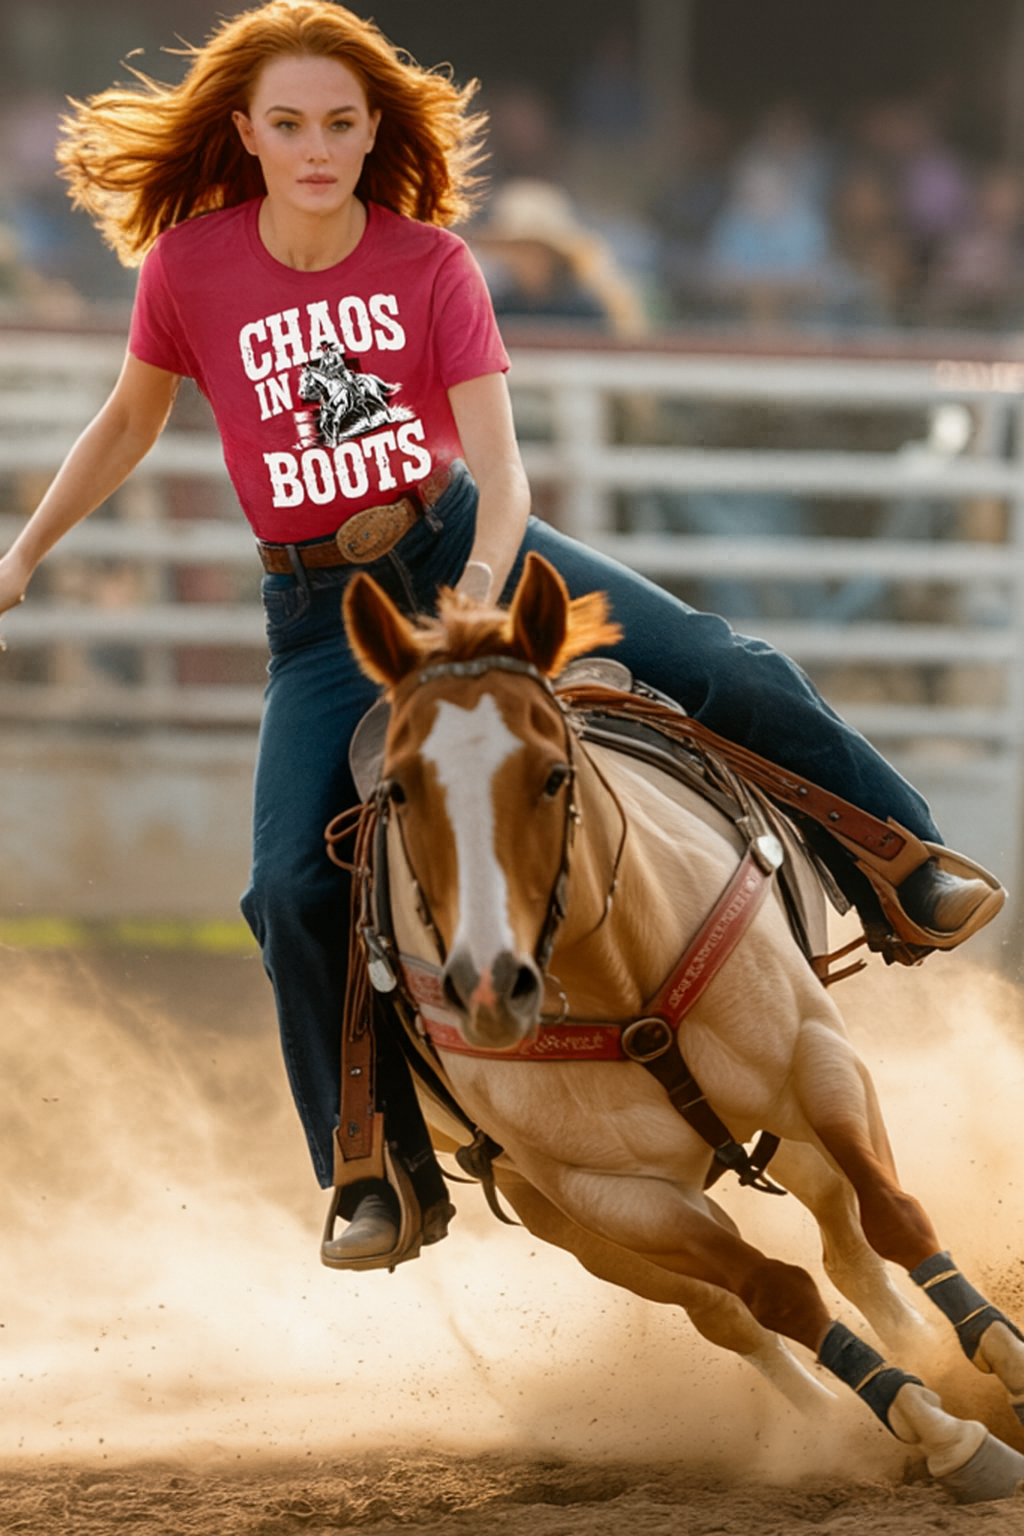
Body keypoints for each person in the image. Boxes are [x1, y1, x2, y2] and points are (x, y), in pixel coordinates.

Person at [0, 0, 1000, 1267]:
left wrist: (479, 581)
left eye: (341, 123)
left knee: (719, 662)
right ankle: (375, 1170)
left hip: (468, 544)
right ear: (245, 132)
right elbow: (128, 426)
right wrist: (24, 552)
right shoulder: (190, 271)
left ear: (374, 132)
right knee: (289, 889)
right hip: (324, 619)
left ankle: (897, 861)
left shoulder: (430, 265)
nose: (317, 147)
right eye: (291, 123)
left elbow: (506, 470)